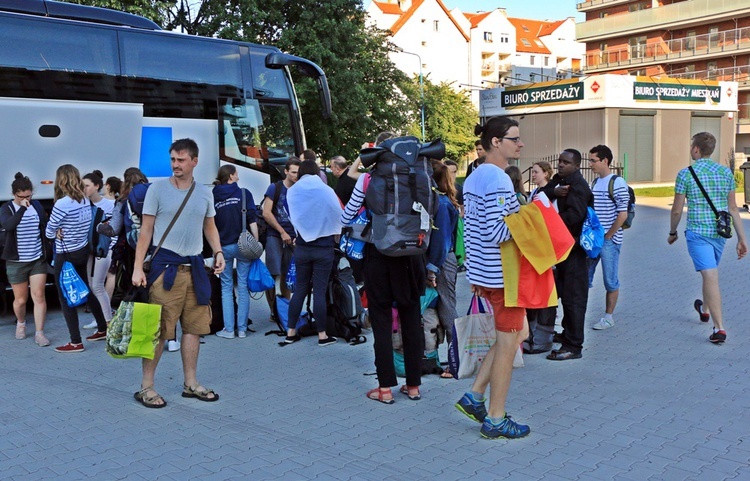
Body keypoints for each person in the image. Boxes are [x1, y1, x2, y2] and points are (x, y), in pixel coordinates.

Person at [131, 138, 225, 408]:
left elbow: (210, 227)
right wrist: (138, 267)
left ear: (194, 161)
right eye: (173, 159)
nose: (176, 165)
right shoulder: (157, 189)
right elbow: (145, 232)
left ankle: (190, 383)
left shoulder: (205, 193)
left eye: (181, 160)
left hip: (194, 268)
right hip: (165, 270)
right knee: (157, 331)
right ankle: (146, 387)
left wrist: (218, 253)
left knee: (194, 330)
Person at [453, 116, 530, 439]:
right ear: (496, 142)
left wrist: (475, 270)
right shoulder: (498, 180)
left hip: (486, 271)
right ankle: (495, 418)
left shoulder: (474, 177)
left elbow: (473, 228)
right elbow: (499, 230)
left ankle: (475, 396)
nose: (520, 143)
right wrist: (531, 218)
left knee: (517, 334)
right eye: (515, 138)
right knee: (511, 341)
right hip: (503, 275)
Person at [342, 131, 424, 404]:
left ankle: (385, 388)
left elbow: (346, 215)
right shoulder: (416, 172)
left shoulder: (368, 178)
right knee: (412, 318)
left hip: (380, 254)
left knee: (381, 320)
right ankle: (413, 385)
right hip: (412, 253)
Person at [668, 132, 747, 344]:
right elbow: (732, 208)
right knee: (709, 274)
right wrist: (742, 238)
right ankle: (704, 310)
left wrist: (672, 232)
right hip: (721, 234)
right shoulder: (725, 173)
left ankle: (719, 328)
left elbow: (676, 211)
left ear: (695, 149)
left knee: (710, 276)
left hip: (698, 234)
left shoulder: (685, 174)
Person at [46, 165, 109, 353]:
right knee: (86, 290)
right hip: (81, 250)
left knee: (66, 296)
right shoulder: (83, 199)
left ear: (61, 180)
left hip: (66, 254)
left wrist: (57, 232)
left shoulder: (62, 203)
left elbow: (49, 231)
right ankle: (102, 328)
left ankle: (75, 342)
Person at [541, 149, 592, 361]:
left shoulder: (578, 186)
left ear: (577, 165)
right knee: (563, 293)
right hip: (560, 250)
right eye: (560, 161)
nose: (561, 165)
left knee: (573, 298)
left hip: (574, 250)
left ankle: (574, 345)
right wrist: (554, 192)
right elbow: (542, 194)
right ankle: (567, 334)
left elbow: (575, 216)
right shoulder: (558, 181)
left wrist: (551, 219)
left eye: (566, 162)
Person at [284, 160, 342, 346]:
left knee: (300, 289)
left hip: (302, 247)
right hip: (324, 249)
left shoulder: (293, 191)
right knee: (319, 291)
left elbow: (294, 216)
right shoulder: (326, 190)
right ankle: (322, 335)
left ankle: (290, 332)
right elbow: (337, 214)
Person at [1, 173, 50, 346]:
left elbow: (44, 224)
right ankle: (21, 322)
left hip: (37, 258)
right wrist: (22, 207)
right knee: (21, 300)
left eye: (28, 196)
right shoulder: (7, 208)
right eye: (22, 196)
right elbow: (8, 225)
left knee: (39, 296)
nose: (26, 199)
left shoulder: (36, 205)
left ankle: (40, 332)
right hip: (16, 261)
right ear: (14, 194)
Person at [212, 164, 258, 339]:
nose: (238, 176)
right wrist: (256, 243)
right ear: (231, 176)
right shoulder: (244, 194)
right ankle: (243, 329)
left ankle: (229, 330)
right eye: (236, 173)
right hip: (243, 246)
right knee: (244, 286)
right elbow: (252, 220)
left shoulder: (213, 197)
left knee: (226, 288)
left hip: (223, 247)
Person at [588, 145, 630, 330]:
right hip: (594, 239)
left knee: (610, 279)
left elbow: (623, 214)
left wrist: (608, 235)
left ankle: (608, 317)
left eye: (593, 160)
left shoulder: (617, 183)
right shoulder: (595, 183)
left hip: (609, 241)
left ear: (605, 161)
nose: (590, 165)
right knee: (584, 277)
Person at [426, 161, 460, 379]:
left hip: (442, 262)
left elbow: (441, 241)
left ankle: (455, 361)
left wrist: (431, 268)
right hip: (443, 260)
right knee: (444, 308)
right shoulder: (444, 201)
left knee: (448, 309)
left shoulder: (441, 204)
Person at [523, 161, 557, 354]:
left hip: (544, 248)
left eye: (536, 172)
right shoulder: (535, 192)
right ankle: (533, 334)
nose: (533, 174)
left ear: (546, 173)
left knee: (546, 294)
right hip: (535, 247)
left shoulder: (549, 193)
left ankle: (541, 336)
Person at [262, 157, 300, 318]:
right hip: (275, 236)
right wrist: (282, 232)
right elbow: (266, 212)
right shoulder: (275, 188)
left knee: (287, 273)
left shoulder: (300, 189)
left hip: (294, 237)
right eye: (293, 172)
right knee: (272, 274)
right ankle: (273, 311)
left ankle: (285, 309)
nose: (296, 176)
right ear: (285, 171)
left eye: (298, 173)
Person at [82, 170, 115, 328]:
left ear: (96, 186)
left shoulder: (109, 205)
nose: (84, 189)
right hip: (89, 250)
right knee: (91, 285)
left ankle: (108, 322)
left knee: (97, 285)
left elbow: (115, 229)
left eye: (87, 186)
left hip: (103, 250)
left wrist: (110, 248)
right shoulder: (83, 205)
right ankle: (101, 320)